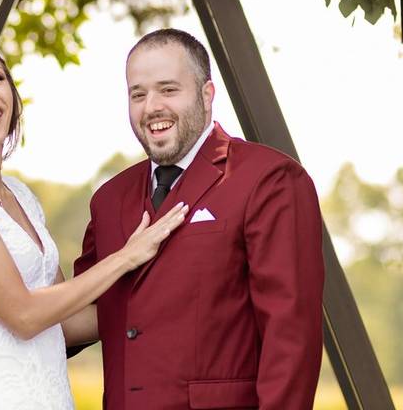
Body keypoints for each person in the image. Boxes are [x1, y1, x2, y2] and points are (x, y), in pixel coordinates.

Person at [0, 36, 189, 410]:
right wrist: (126, 258)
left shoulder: (20, 195)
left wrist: (170, 295)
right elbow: (23, 315)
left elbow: (66, 323)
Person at [73, 28, 325, 410]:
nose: (151, 106)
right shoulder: (108, 199)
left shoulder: (269, 180)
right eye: (137, 94)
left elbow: (290, 335)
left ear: (207, 95)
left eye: (168, 90)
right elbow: (78, 311)